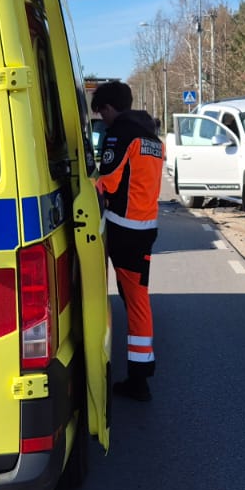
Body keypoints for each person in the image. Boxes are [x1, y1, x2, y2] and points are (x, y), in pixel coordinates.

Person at [92, 80, 166, 403]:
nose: (103, 119)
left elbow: (107, 182)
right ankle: (140, 374)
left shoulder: (121, 134)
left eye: (102, 113)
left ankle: (139, 380)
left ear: (110, 108)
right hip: (144, 228)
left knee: (132, 301)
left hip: (122, 230)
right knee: (136, 299)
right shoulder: (152, 137)